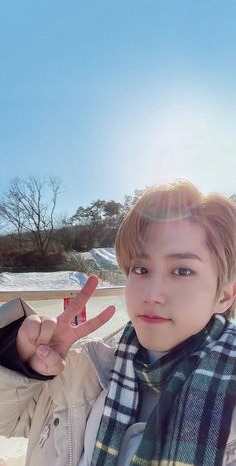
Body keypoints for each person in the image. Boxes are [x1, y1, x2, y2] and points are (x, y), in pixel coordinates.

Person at [0, 180, 235, 466]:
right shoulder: (84, 367)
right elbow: (8, 422)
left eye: (182, 270)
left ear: (225, 295)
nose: (151, 294)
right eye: (141, 269)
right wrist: (19, 359)